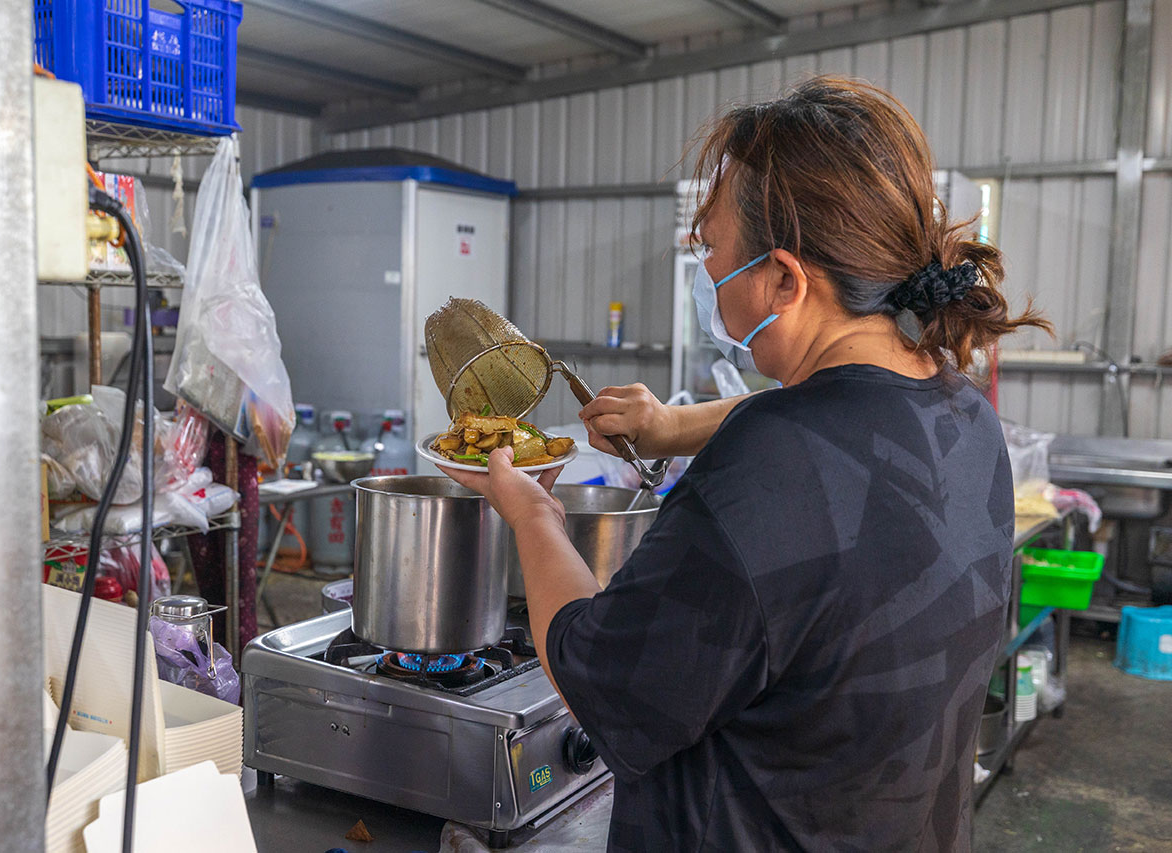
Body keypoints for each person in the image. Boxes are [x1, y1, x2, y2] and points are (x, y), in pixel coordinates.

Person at [440, 76, 1050, 852]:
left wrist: (532, 512)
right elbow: (829, 425)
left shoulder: (767, 470)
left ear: (785, 279)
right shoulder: (962, 413)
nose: (708, 270)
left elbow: (596, 673)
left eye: (715, 251)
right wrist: (667, 427)